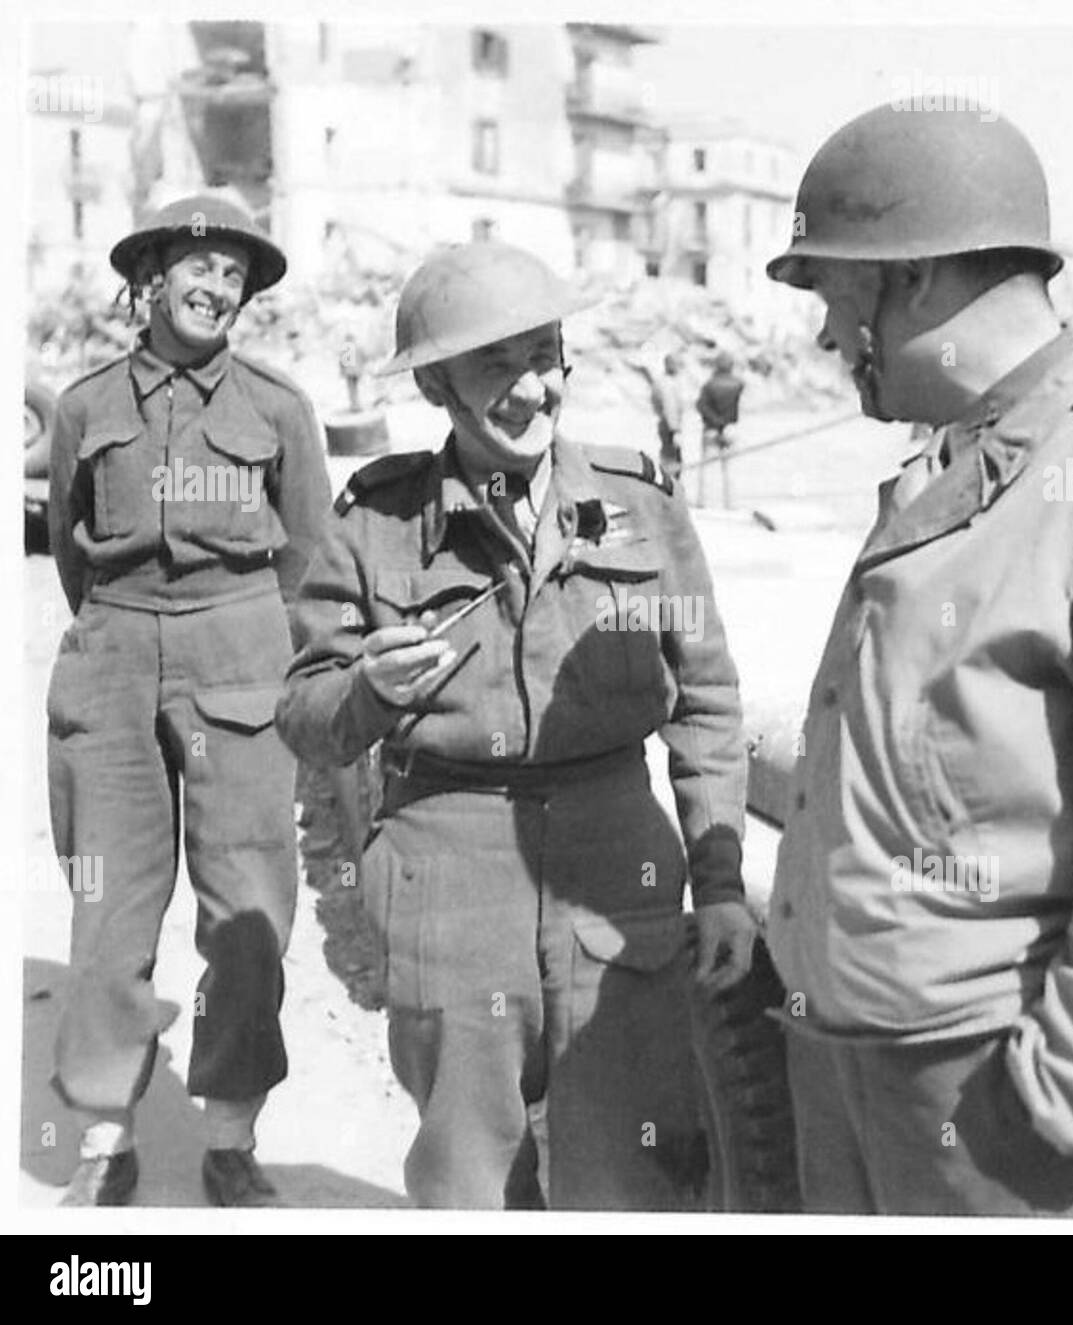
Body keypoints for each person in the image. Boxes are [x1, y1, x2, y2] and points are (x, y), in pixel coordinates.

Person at [763, 105, 1073, 1217]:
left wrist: (1056, 1100)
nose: (821, 340)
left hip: (1004, 1114)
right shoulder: (951, 471)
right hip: (862, 1080)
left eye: (833, 296)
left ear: (920, 280)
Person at [275, 241, 756, 1210]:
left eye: (546, 356)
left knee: (631, 1169)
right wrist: (369, 687)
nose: (535, 389)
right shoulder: (377, 520)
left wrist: (719, 884)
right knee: (469, 1175)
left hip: (617, 865)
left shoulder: (641, 508)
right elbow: (305, 717)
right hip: (448, 872)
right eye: (500, 367)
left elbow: (704, 700)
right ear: (438, 385)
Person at [46, 193, 331, 1206]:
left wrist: (262, 659)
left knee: (247, 911)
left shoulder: (278, 405)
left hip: (241, 656)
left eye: (235, 279)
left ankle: (230, 1136)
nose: (217, 289)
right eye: (199, 270)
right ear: (150, 280)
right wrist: (123, 637)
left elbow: (309, 560)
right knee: (106, 907)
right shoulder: (83, 406)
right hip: (114, 655)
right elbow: (71, 556)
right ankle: (105, 1137)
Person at [695, 353, 744, 507]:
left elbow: (701, 406)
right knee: (730, 469)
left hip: (711, 429)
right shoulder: (738, 384)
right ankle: (731, 503)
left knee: (708, 469)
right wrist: (725, 424)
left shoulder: (709, 385)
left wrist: (717, 423)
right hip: (731, 429)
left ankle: (704, 503)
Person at [632, 350, 687, 481]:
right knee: (673, 458)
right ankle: (671, 487)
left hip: (663, 422)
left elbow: (655, 402)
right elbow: (670, 407)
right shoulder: (668, 384)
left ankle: (667, 483)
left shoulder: (660, 381)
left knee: (667, 455)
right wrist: (674, 429)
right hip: (670, 425)